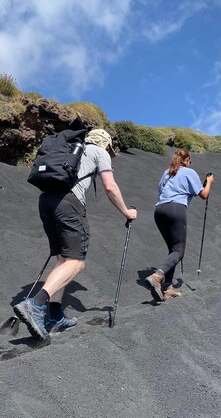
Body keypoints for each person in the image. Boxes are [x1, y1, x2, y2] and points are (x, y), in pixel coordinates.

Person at [14, 128, 137, 341]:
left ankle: (55, 317)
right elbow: (109, 186)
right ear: (105, 144)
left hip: (46, 201)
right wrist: (127, 212)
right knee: (76, 262)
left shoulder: (69, 149)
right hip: (69, 203)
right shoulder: (100, 152)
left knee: (62, 259)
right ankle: (35, 304)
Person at [145, 148, 214, 302]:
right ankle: (158, 276)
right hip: (176, 209)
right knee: (179, 252)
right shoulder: (189, 172)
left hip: (159, 210)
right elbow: (204, 194)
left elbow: (161, 191)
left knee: (173, 250)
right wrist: (209, 182)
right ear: (187, 160)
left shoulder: (167, 172)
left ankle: (167, 288)